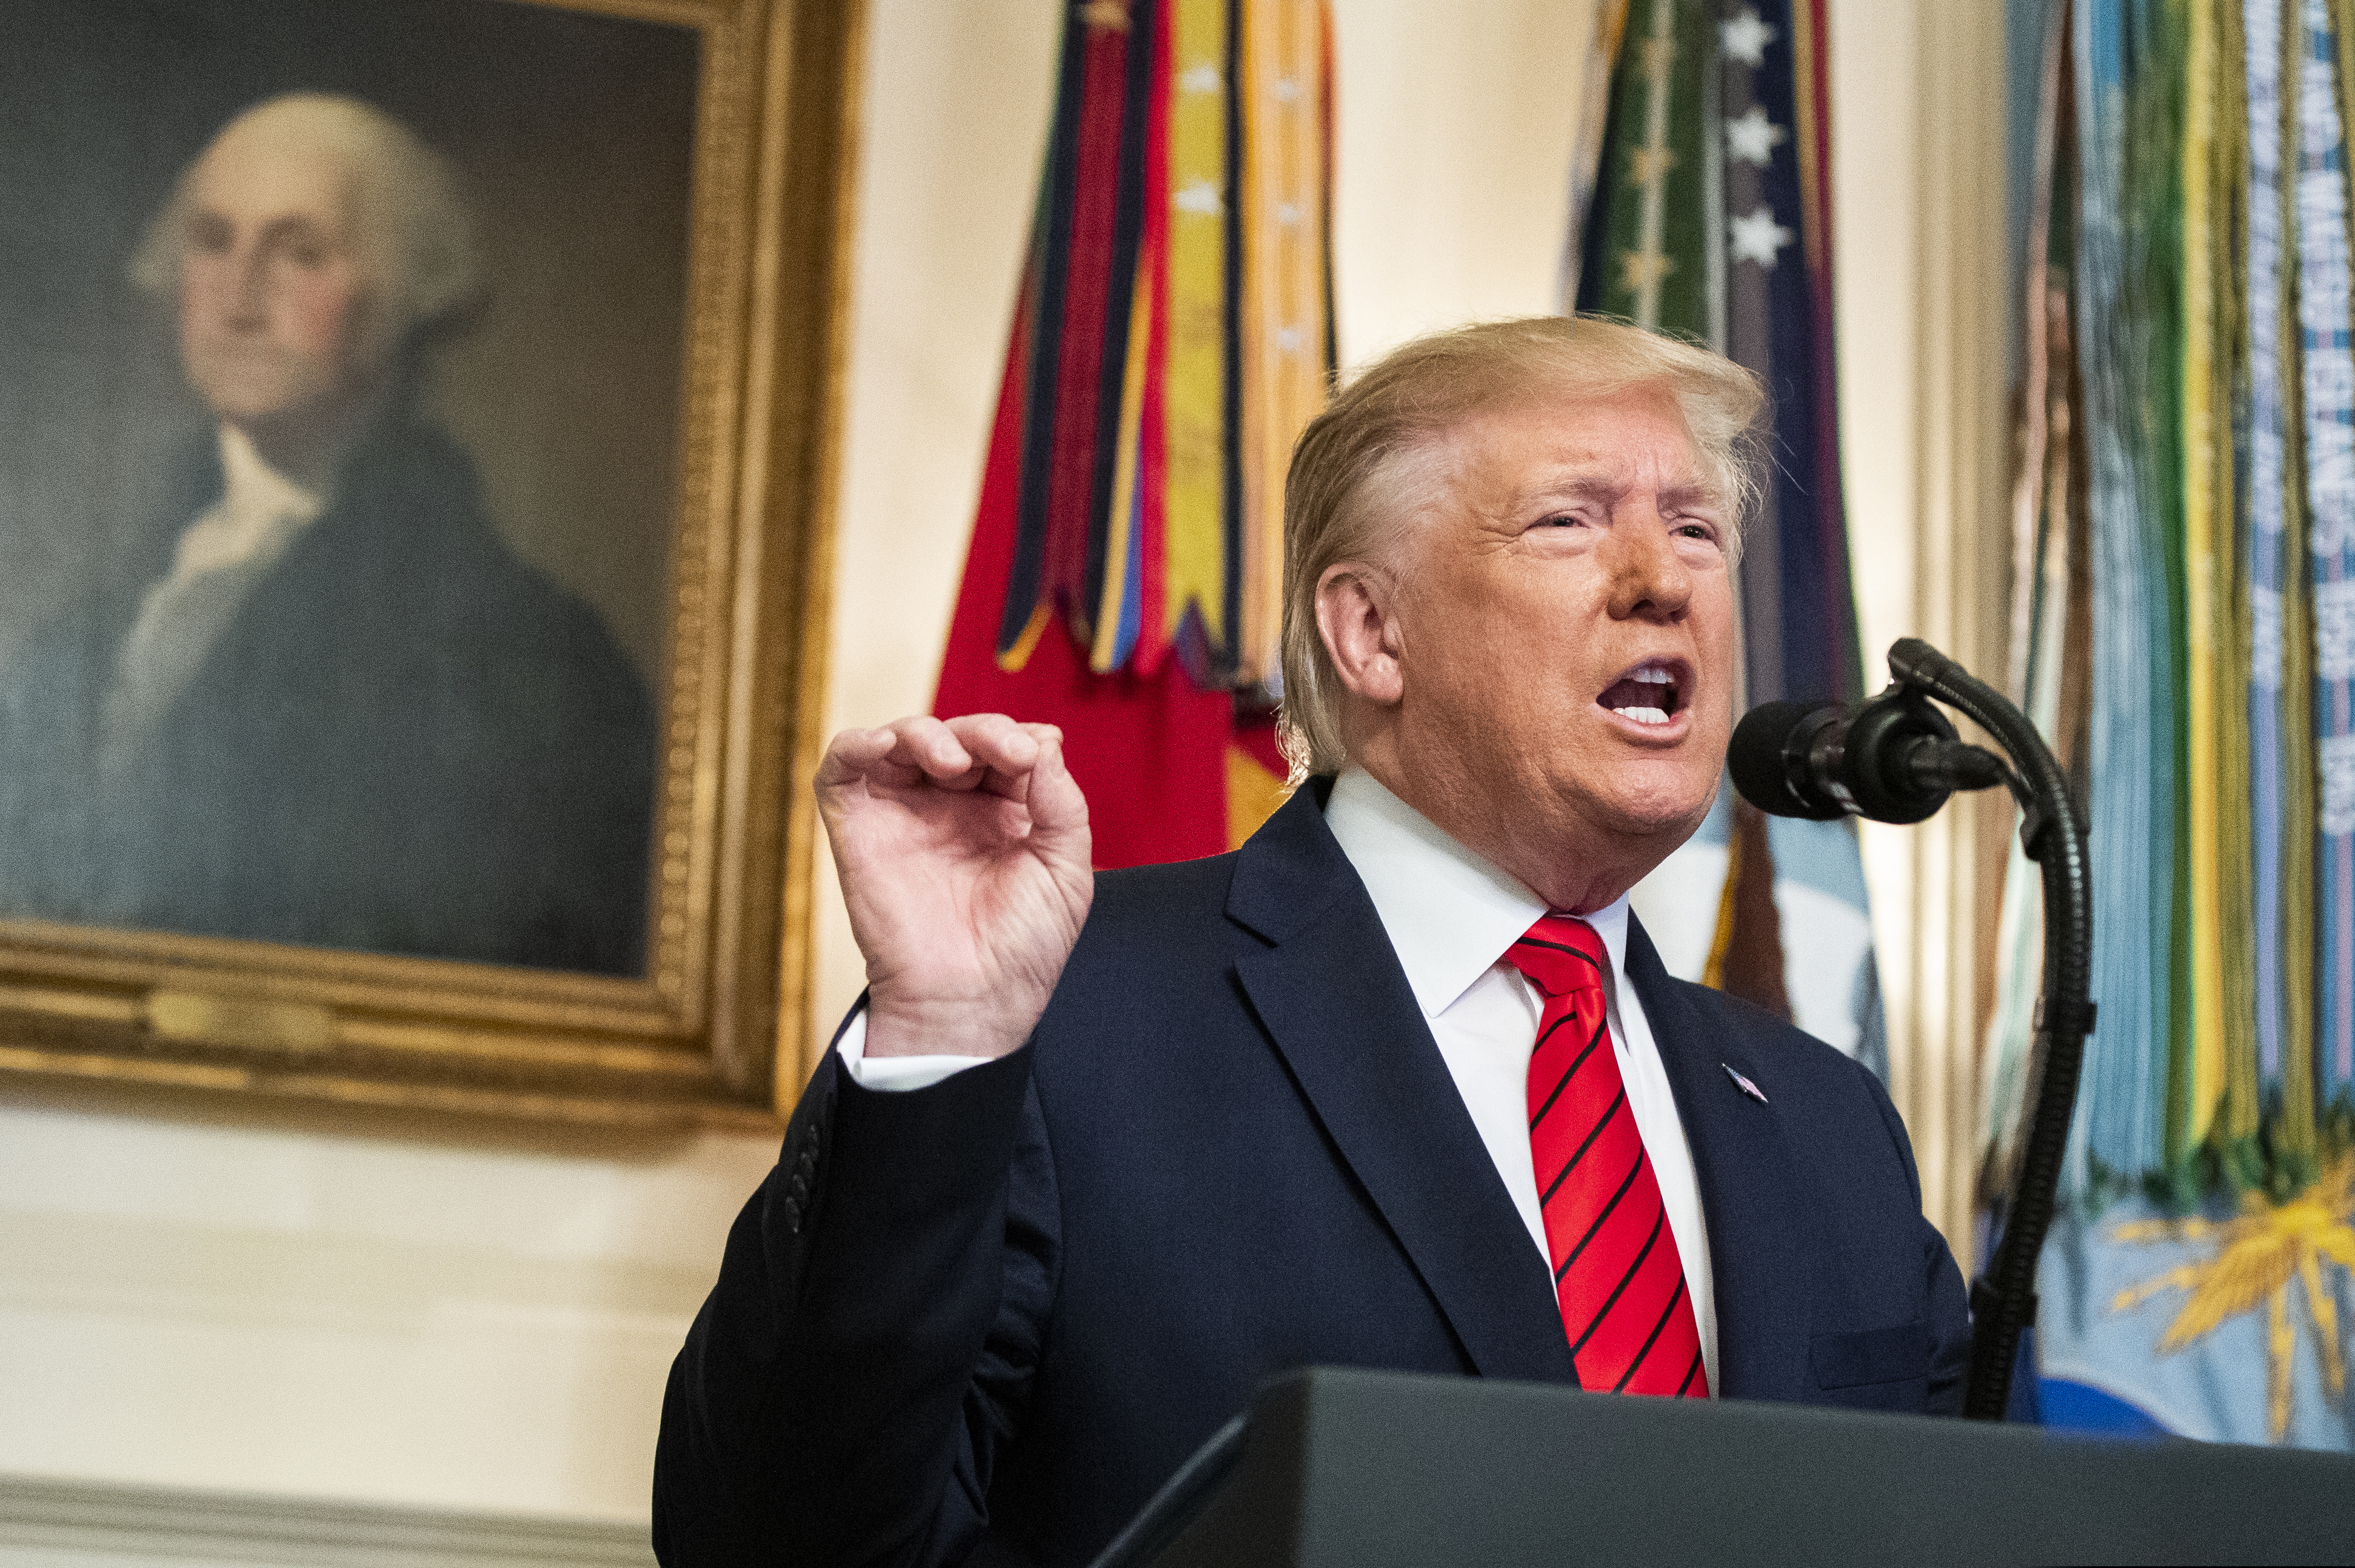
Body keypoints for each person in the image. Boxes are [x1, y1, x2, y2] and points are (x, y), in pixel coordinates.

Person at [653, 317, 1971, 1565]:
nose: (1663, 584)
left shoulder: (1823, 1122)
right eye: (1569, 522)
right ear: (1370, 632)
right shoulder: (1058, 1017)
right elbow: (774, 1539)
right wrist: (940, 1049)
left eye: (1693, 528)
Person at [0, 93, 655, 975]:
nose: (238, 299)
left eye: (300, 253)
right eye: (212, 241)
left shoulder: (533, 662)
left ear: (394, 297)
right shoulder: (87, 628)